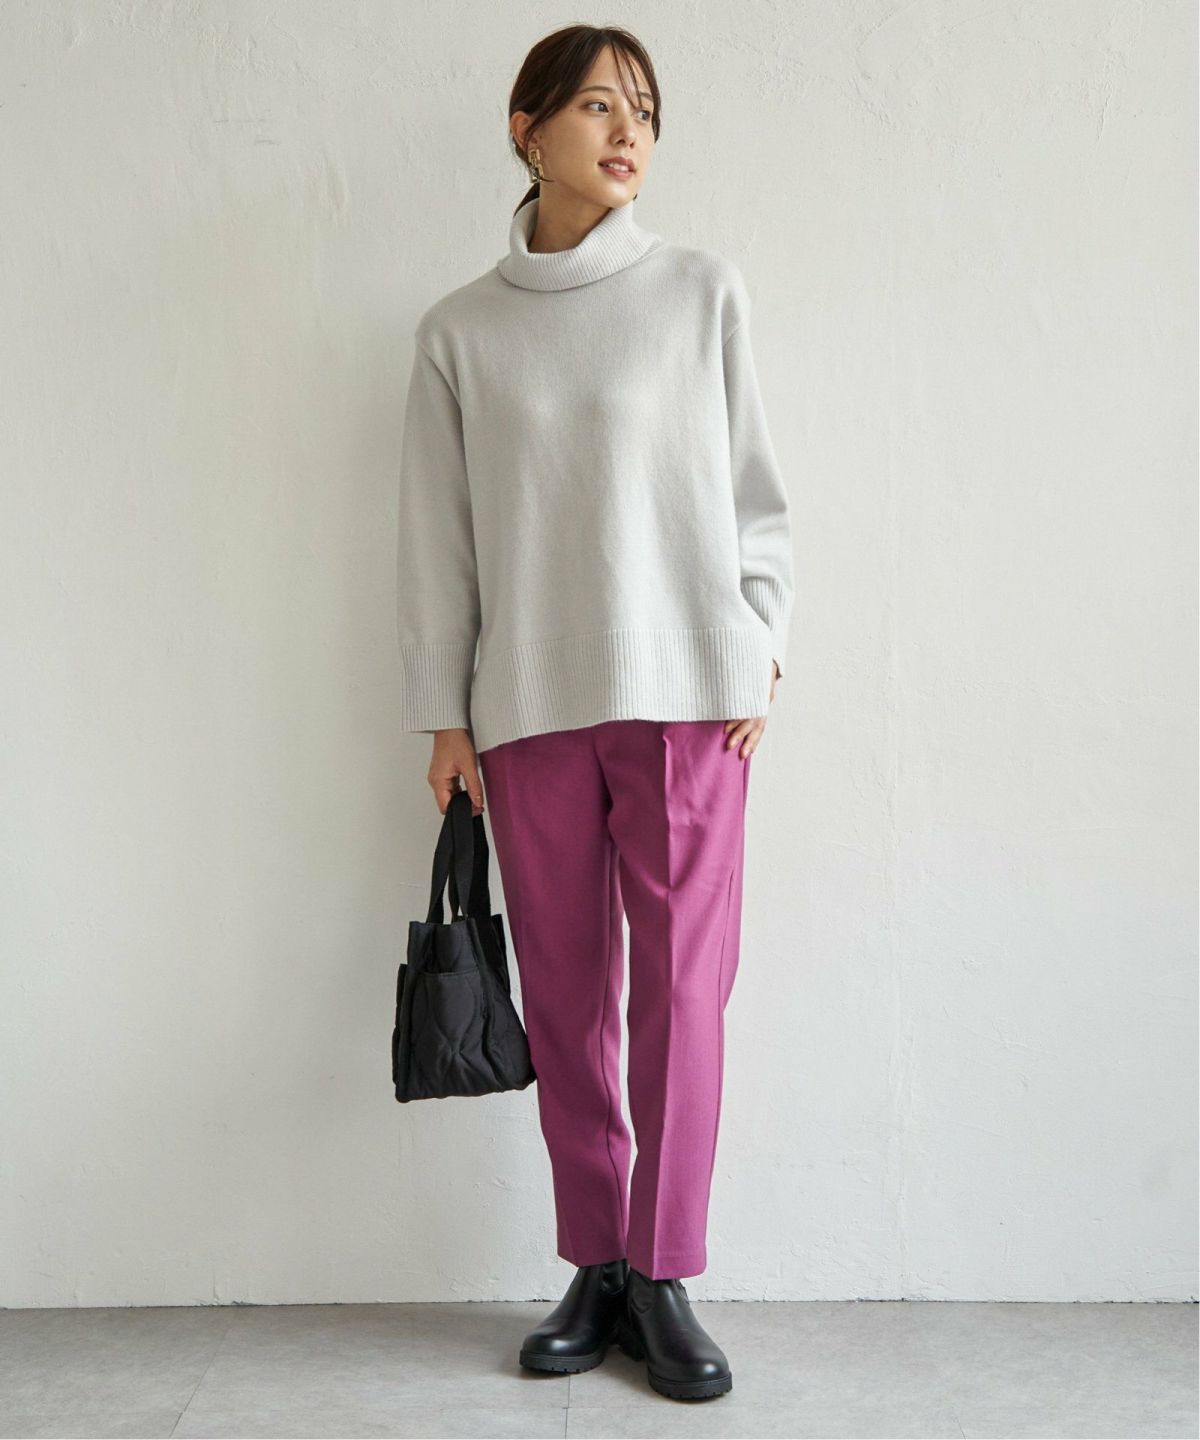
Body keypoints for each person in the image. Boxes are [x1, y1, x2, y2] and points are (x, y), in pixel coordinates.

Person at [395, 23, 794, 1403]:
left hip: (690, 700)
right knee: (569, 998)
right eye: (598, 107)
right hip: (530, 706)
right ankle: (598, 1263)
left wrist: (763, 639)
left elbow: (757, 493)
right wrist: (444, 713)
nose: (630, 134)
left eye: (645, 111)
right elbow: (438, 541)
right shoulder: (459, 332)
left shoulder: (698, 292)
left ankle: (664, 1269)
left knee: (681, 996)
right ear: (526, 128)